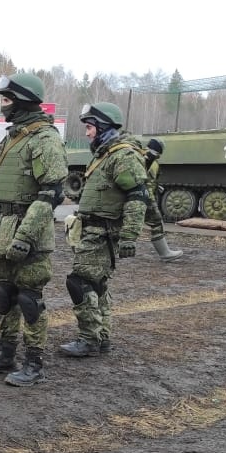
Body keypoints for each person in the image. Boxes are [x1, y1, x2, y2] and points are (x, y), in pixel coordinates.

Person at [0, 73, 68, 386]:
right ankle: (5, 354)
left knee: (29, 299)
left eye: (8, 99)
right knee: (5, 295)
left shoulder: (44, 139)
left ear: (24, 100)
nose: (3, 104)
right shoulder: (12, 138)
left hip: (30, 233)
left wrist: (25, 236)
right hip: (1, 229)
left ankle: (34, 363)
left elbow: (50, 194)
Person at [59, 102, 148, 357]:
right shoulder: (106, 154)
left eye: (90, 127)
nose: (87, 133)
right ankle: (101, 337)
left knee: (78, 282)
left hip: (103, 233)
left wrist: (130, 236)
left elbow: (137, 196)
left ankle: (89, 339)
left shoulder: (122, 156)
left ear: (104, 127)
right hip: (93, 231)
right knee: (97, 285)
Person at [141, 138, 183, 260]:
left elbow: (148, 177)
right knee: (156, 221)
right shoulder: (148, 158)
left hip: (145, 193)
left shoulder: (147, 157)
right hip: (145, 195)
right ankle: (165, 253)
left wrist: (155, 185)